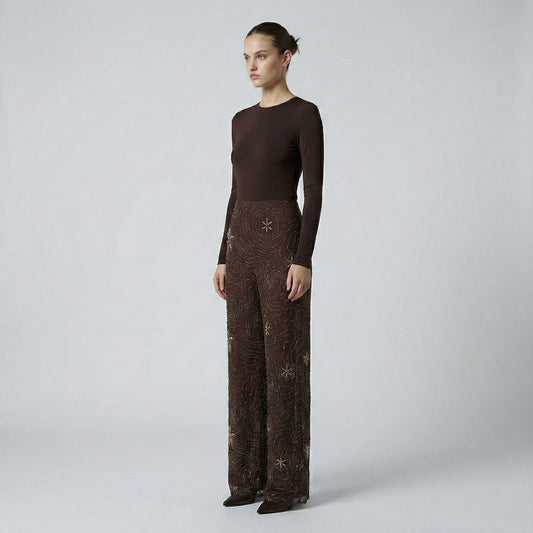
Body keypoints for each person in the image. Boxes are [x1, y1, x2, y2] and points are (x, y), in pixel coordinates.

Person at [212, 21, 324, 514]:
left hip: (282, 240)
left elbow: (313, 193)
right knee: (244, 360)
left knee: (284, 362)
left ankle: (286, 484)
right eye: (246, 57)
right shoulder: (240, 120)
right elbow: (235, 191)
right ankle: (245, 478)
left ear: (286, 57)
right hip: (241, 244)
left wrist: (303, 257)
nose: (252, 66)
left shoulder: (304, 114)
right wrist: (222, 254)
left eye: (261, 55)